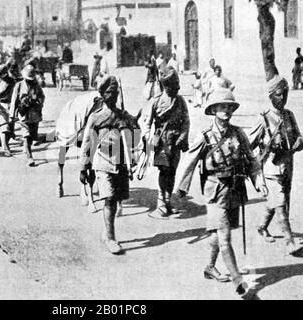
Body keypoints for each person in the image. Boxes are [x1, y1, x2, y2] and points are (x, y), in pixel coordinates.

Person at [175, 88, 268, 297]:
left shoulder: (238, 133)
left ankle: (209, 267)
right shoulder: (205, 137)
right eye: (222, 106)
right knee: (224, 237)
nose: (226, 110)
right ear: (214, 110)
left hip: (234, 190)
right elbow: (188, 162)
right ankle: (239, 282)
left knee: (218, 233)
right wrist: (180, 189)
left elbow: (251, 160)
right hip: (215, 193)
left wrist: (259, 182)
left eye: (229, 107)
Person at [249, 75, 303, 255]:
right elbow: (248, 144)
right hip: (271, 167)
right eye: (279, 94)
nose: (283, 98)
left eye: (285, 94)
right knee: (280, 202)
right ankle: (290, 242)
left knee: (280, 199)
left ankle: (262, 226)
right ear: (271, 96)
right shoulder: (263, 118)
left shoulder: (289, 115)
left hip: (288, 165)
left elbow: (299, 136)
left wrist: (299, 143)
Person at [79, 76, 135, 254]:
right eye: (109, 92)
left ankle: (107, 232)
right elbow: (87, 143)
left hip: (120, 163)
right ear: (102, 95)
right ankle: (111, 238)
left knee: (117, 198)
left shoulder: (122, 115)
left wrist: (129, 123)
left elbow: (133, 135)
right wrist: (83, 167)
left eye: (116, 92)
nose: (113, 96)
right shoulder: (95, 118)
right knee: (109, 199)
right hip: (102, 162)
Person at [143, 66, 190, 219]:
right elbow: (147, 123)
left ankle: (168, 202)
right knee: (164, 172)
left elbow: (186, 121)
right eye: (172, 86)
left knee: (172, 172)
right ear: (165, 86)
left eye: (177, 86)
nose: (176, 89)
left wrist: (183, 136)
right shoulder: (156, 101)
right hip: (161, 143)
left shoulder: (181, 101)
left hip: (176, 142)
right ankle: (161, 204)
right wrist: (148, 139)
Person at [10, 64, 45, 167]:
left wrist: (38, 103)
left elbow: (42, 97)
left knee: (33, 136)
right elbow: (14, 100)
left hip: (34, 114)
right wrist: (12, 115)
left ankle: (26, 148)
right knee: (27, 136)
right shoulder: (19, 85)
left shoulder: (37, 85)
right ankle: (30, 158)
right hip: (23, 114)